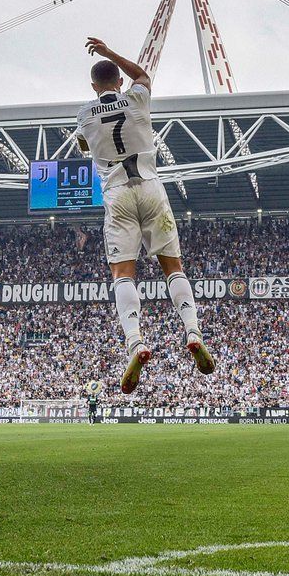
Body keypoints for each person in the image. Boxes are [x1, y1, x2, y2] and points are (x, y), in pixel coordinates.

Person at [76, 37, 214, 395]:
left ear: (94, 87)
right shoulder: (137, 97)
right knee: (173, 267)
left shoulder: (83, 115)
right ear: (119, 82)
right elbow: (142, 73)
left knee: (123, 274)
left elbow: (84, 145)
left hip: (117, 194)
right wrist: (109, 53)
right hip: (151, 186)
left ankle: (136, 343)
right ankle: (193, 332)